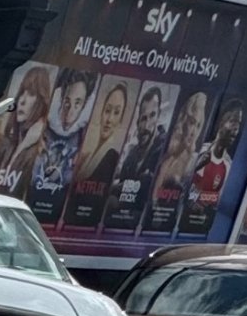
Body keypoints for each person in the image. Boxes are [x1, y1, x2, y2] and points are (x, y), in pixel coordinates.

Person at [102, 82, 176, 231]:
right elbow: (122, 189)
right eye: (143, 118)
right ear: (137, 122)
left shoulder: (164, 149)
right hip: (122, 223)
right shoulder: (132, 155)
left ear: (158, 116)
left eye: (152, 116)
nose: (147, 124)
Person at [64, 82, 131, 230]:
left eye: (116, 113)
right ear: (101, 113)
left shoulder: (112, 157)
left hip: (83, 227)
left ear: (121, 119)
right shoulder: (87, 154)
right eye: (107, 111)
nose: (109, 119)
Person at [29, 71, 93, 223]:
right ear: (62, 98)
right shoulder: (46, 120)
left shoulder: (85, 130)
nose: (70, 111)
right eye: (67, 102)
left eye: (77, 103)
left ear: (84, 104)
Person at [143, 92, 208, 237]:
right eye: (192, 122)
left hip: (174, 230)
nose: (194, 132)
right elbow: (152, 196)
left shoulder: (196, 162)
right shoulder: (163, 155)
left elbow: (196, 200)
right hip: (151, 226)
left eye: (198, 125)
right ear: (183, 121)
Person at [180, 100, 245, 235]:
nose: (235, 129)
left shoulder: (229, 165)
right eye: (232, 121)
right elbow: (180, 186)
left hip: (203, 231)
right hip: (182, 225)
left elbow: (219, 204)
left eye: (238, 124)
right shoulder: (199, 153)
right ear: (221, 122)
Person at [0, 67, 52, 197]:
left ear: (41, 102)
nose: (22, 101)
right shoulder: (7, 146)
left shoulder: (37, 155)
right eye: (22, 92)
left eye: (31, 94)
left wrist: (25, 145)